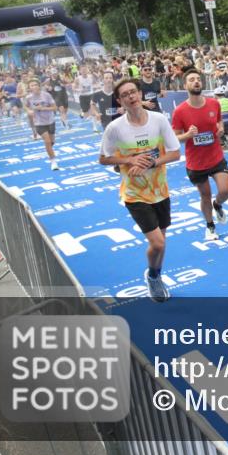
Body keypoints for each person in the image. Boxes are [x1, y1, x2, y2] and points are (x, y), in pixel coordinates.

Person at [99, 78, 182, 302]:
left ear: (140, 94)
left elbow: (175, 153)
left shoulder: (158, 120)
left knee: (160, 245)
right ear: (120, 101)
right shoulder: (115, 128)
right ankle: (153, 278)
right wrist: (129, 159)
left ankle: (154, 274)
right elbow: (104, 158)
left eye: (133, 92)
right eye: (125, 95)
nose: (131, 97)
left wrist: (151, 163)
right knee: (158, 243)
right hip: (134, 194)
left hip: (160, 190)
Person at [172, 70, 228, 242]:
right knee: (205, 195)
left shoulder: (214, 103)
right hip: (196, 162)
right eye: (192, 80)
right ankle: (210, 226)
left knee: (226, 190)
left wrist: (220, 129)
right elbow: (175, 138)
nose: (196, 82)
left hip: (215, 156)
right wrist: (188, 135)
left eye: (198, 79)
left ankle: (218, 204)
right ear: (185, 86)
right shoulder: (180, 111)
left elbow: (218, 121)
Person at [25, 78, 60, 170]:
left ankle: (49, 150)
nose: (34, 86)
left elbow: (55, 107)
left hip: (50, 121)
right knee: (47, 141)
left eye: (35, 84)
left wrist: (44, 108)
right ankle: (53, 162)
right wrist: (29, 111)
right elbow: (26, 106)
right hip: (39, 123)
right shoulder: (29, 98)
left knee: (52, 142)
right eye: (32, 85)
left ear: (39, 86)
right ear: (29, 88)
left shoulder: (46, 95)